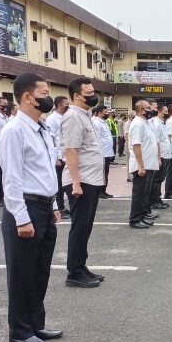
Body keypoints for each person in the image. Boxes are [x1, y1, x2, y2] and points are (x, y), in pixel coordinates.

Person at [0, 73, 63, 342]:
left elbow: (47, 170)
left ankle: (36, 323)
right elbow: (10, 178)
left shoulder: (42, 128)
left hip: (45, 205)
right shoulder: (14, 130)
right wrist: (21, 218)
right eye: (45, 92)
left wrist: (55, 204)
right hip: (25, 208)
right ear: (28, 97)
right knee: (22, 273)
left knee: (40, 271)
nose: (48, 97)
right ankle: (20, 331)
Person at [61, 77, 105, 288]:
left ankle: (81, 266)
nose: (92, 95)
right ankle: (74, 272)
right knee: (79, 227)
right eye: (88, 93)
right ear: (77, 96)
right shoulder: (72, 117)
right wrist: (76, 183)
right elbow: (71, 150)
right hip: (82, 181)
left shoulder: (85, 115)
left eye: (92, 91)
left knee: (85, 227)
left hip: (92, 180)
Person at [128, 101, 159, 229]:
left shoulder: (145, 123)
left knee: (145, 193)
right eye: (148, 108)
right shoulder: (137, 124)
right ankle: (135, 219)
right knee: (139, 194)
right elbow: (136, 145)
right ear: (141, 110)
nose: (150, 110)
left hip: (148, 164)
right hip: (142, 165)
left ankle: (142, 216)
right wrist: (141, 166)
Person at [46, 96, 70, 218]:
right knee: (59, 184)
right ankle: (58, 208)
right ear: (59, 105)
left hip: (66, 154)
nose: (68, 105)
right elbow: (50, 139)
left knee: (64, 182)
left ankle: (62, 206)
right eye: (66, 103)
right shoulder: (52, 119)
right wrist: (56, 158)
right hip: (58, 156)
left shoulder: (65, 117)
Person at [91, 106, 115, 199]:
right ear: (100, 113)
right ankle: (100, 191)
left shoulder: (103, 122)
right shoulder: (96, 122)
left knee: (105, 173)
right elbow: (96, 138)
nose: (107, 113)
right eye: (105, 112)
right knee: (102, 173)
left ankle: (103, 190)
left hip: (107, 152)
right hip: (102, 153)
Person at [150, 103, 170, 210]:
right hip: (161, 156)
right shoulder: (156, 124)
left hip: (165, 155)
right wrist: (158, 158)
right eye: (165, 112)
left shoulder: (162, 123)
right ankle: (154, 201)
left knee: (160, 179)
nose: (166, 114)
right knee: (157, 180)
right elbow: (156, 142)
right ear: (159, 111)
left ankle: (158, 199)